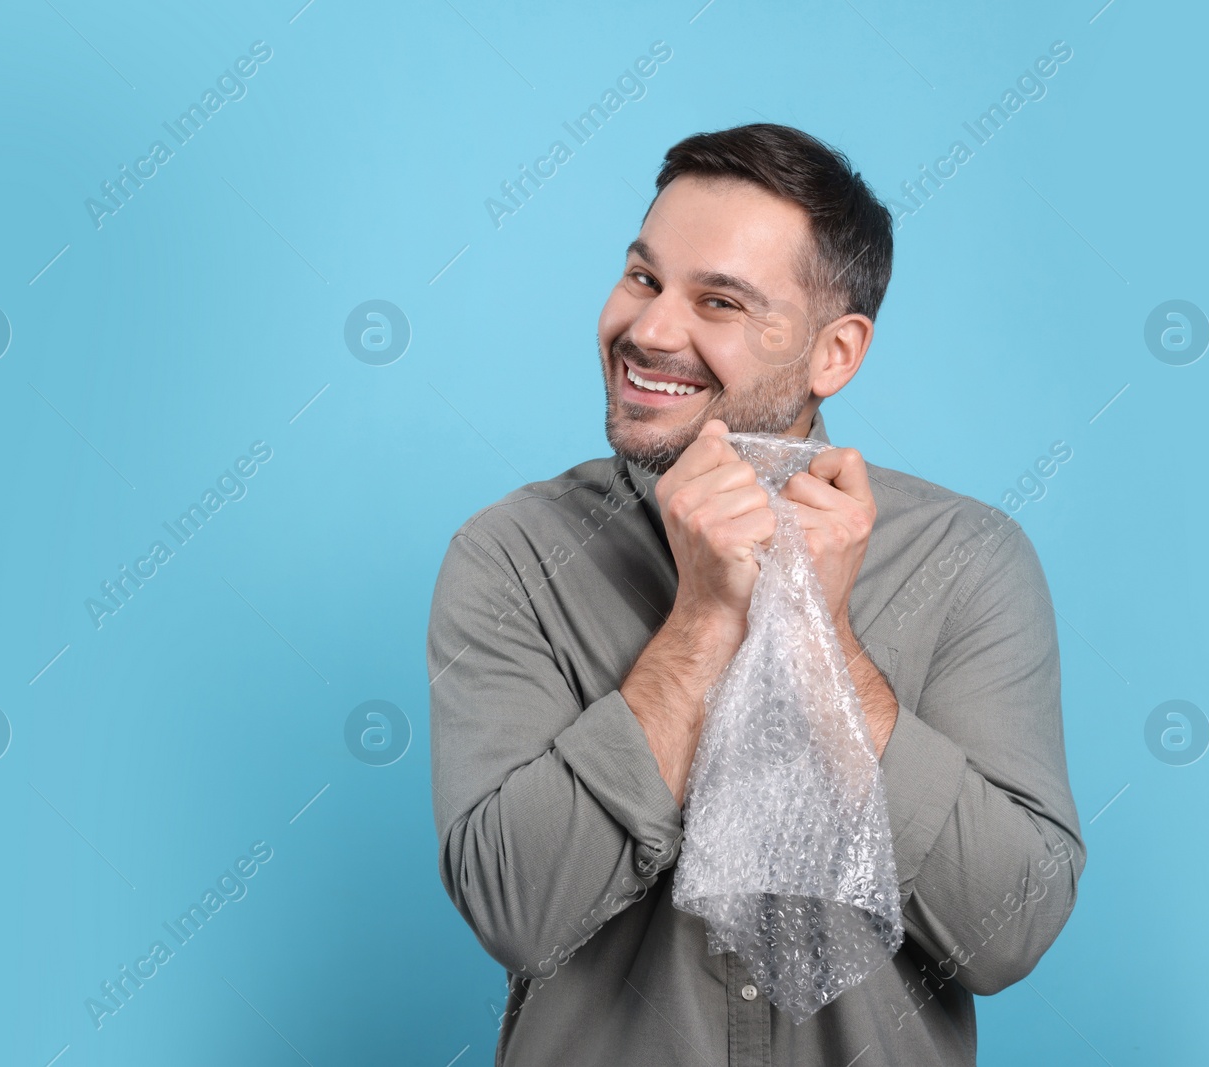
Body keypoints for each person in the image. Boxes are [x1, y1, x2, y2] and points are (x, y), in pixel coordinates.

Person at [426, 122, 1085, 1066]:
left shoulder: (967, 559)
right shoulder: (514, 557)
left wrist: (822, 643)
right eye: (644, 278)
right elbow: (518, 907)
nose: (649, 330)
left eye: (720, 300)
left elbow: (1009, 928)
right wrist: (701, 624)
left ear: (834, 354)